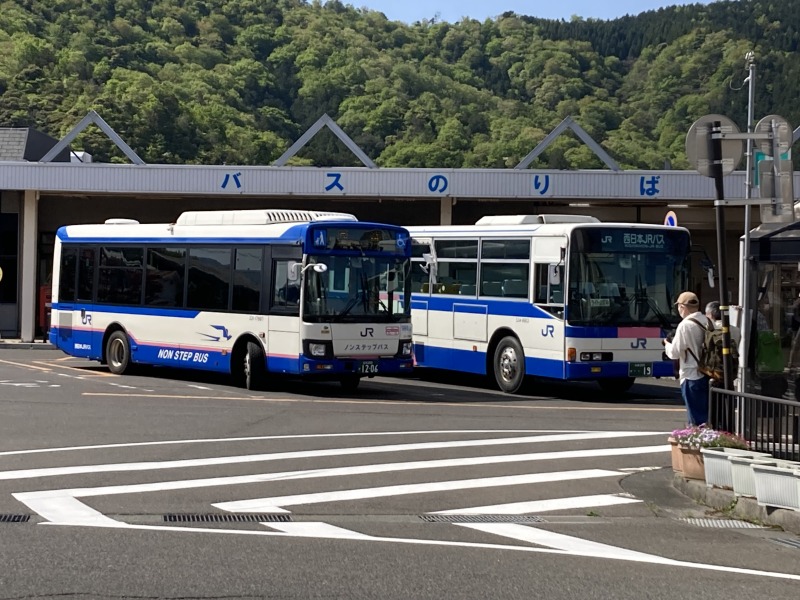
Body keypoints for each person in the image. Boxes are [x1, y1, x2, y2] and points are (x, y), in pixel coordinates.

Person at [664, 291, 710, 425]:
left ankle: (697, 442)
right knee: (705, 414)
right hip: (707, 373)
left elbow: (674, 352)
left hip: (691, 375)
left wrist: (667, 344)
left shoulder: (685, 325)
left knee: (696, 418)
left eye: (678, 307)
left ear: (682, 307)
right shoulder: (707, 320)